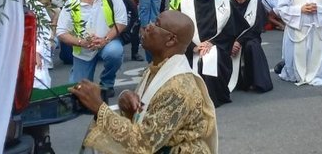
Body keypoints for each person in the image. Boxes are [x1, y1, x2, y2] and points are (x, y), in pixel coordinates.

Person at [70, 10, 218, 154]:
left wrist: (99, 107)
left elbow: (143, 143)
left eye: (156, 24)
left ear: (171, 40)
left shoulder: (178, 88)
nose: (148, 26)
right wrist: (126, 99)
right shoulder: (158, 67)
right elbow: (144, 113)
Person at [56, 0, 127, 102]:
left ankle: (107, 83)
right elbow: (61, 32)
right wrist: (81, 42)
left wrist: (105, 40)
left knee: (114, 52)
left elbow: (122, 21)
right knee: (79, 91)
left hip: (107, 42)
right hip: (83, 49)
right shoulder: (71, 2)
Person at [179, 0, 237, 107]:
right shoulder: (185, 2)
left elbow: (231, 29)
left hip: (218, 46)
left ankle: (213, 97)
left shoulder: (222, 0)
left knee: (212, 59)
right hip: (193, 49)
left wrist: (212, 43)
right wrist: (193, 47)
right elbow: (180, 31)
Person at [227, 0, 273, 93]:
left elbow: (256, 27)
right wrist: (231, 42)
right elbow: (219, 26)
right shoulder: (224, 0)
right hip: (227, 39)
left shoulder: (254, 1)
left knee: (252, 45)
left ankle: (256, 82)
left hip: (248, 38)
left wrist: (239, 41)